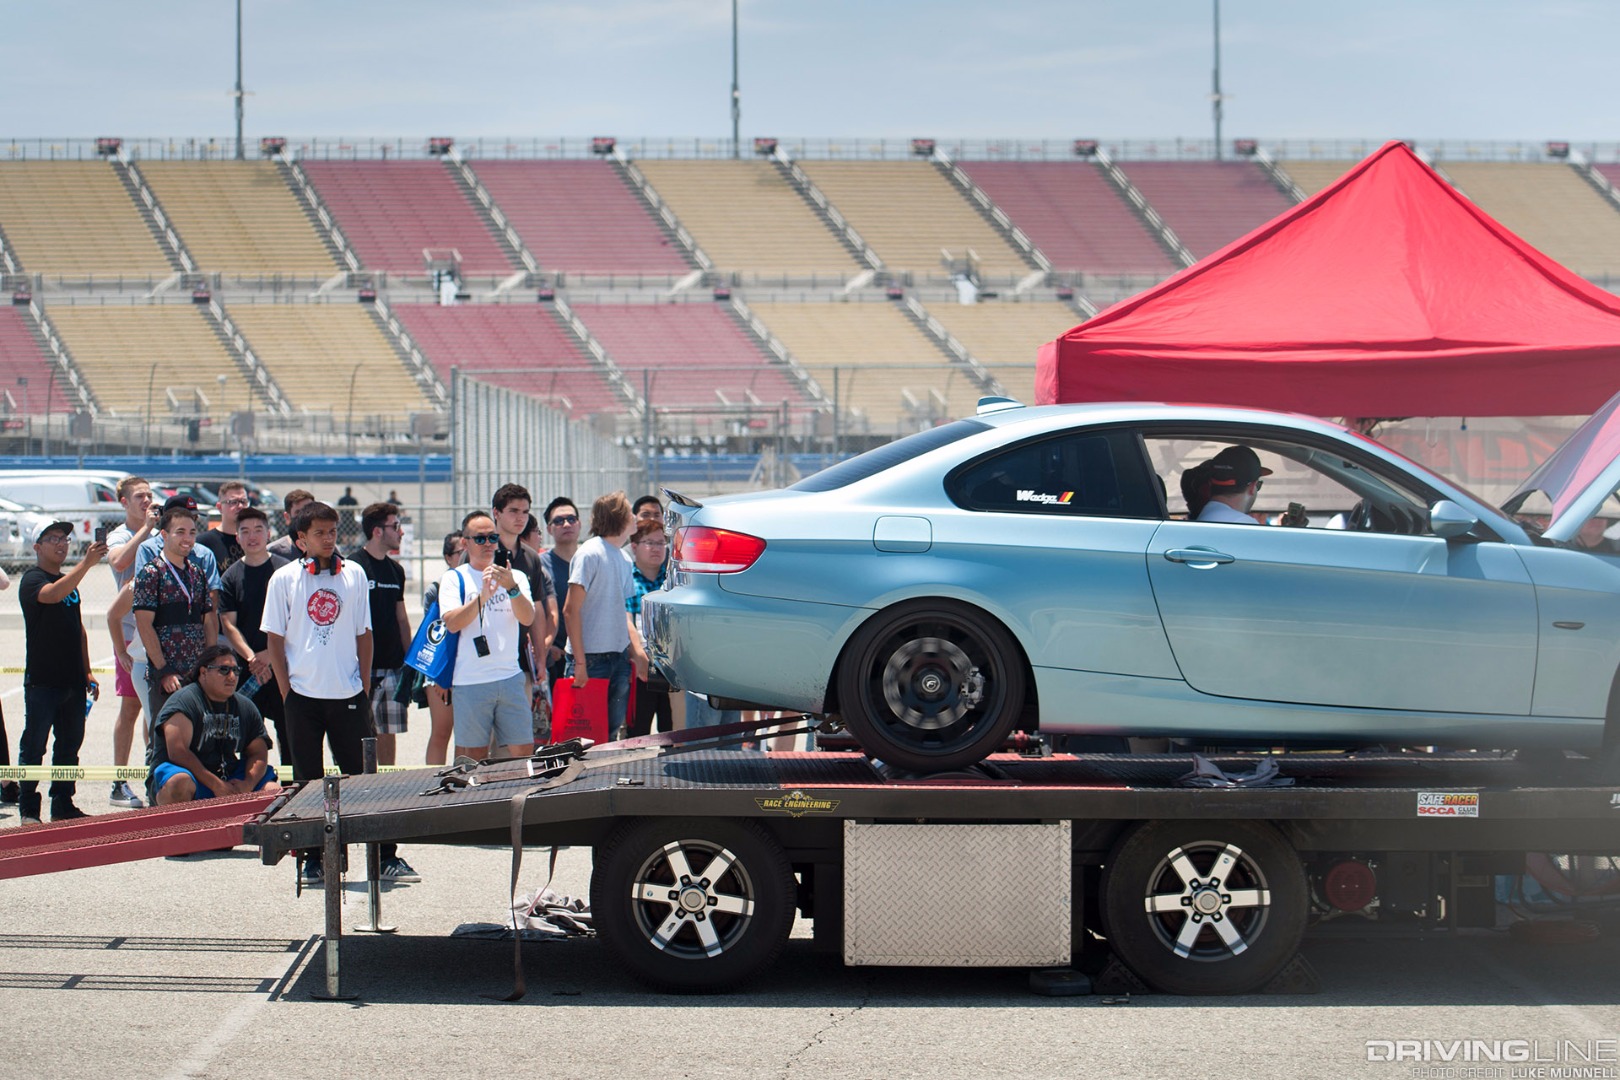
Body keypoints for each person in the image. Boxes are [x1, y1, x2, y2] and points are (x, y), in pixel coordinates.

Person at [262, 501, 375, 887]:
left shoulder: (355, 575)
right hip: (302, 698)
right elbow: (274, 638)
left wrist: (363, 683)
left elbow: (365, 633)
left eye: (332, 532)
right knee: (307, 783)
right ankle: (311, 857)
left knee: (360, 780)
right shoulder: (283, 580)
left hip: (347, 694)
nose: (328, 539)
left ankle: (374, 853)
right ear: (300, 540)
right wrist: (287, 691)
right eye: (319, 534)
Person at [17, 520, 106, 823]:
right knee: (34, 746)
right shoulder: (32, 579)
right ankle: (29, 807)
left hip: (72, 681)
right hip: (43, 682)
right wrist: (87, 563)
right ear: (37, 547)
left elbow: (78, 630)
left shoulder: (70, 583)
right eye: (53, 538)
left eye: (65, 538)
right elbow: (52, 595)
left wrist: (87, 671)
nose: (61, 543)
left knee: (69, 746)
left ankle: (63, 803)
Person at [440, 511, 535, 762]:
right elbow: (452, 623)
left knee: (523, 752)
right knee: (472, 757)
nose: (488, 544)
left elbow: (528, 618)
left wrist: (511, 588)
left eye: (492, 537)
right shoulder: (454, 578)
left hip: (510, 676)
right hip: (471, 680)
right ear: (465, 543)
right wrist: (482, 596)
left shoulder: (517, 578)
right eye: (479, 539)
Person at [563, 492, 650, 740]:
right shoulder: (589, 553)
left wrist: (634, 654)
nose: (635, 517)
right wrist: (579, 664)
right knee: (582, 737)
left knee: (609, 736)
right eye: (630, 511)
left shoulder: (623, 558)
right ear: (619, 517)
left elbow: (621, 612)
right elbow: (570, 610)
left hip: (618, 659)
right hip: (589, 661)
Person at [151, 645, 282, 806]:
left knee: (272, 791)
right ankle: (174, 828)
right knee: (179, 783)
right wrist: (216, 785)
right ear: (204, 672)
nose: (232, 676)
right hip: (190, 775)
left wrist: (248, 784)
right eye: (224, 670)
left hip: (228, 775)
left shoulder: (245, 707)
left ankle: (249, 831)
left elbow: (258, 752)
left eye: (236, 670)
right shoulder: (184, 702)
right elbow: (178, 753)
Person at [217, 506, 291, 765]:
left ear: (269, 533)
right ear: (237, 537)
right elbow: (229, 625)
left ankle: (298, 789)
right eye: (245, 531)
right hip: (249, 670)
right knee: (251, 739)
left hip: (284, 665)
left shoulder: (287, 572)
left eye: (258, 530)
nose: (252, 537)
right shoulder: (230, 577)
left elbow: (297, 621)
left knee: (290, 732)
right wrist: (253, 659)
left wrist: (271, 655)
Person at [132, 502, 218, 723]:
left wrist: (209, 663)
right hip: (167, 677)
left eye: (192, 532)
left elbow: (208, 619)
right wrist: (164, 670)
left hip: (198, 675)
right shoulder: (151, 573)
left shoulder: (196, 573)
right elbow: (144, 624)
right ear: (164, 535)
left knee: (201, 737)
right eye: (180, 532)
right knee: (165, 739)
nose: (187, 539)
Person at [104, 474, 160, 808]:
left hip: (156, 631)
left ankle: (153, 772)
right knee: (131, 707)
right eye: (139, 496)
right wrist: (146, 529)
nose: (146, 501)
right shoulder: (121, 535)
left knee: (155, 710)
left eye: (149, 495)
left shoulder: (160, 531)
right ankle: (118, 782)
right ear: (124, 502)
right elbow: (119, 561)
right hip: (128, 635)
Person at [350, 503, 414, 780]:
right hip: (357, 667)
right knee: (360, 731)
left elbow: (401, 619)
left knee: (387, 731)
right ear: (377, 531)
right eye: (395, 526)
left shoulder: (395, 570)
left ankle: (387, 783)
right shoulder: (352, 567)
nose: (400, 532)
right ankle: (361, 784)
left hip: (392, 666)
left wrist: (410, 662)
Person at [491, 484, 557, 740]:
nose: (521, 518)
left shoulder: (531, 558)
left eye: (525, 511)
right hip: (482, 662)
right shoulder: (480, 551)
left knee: (517, 741)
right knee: (479, 747)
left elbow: (538, 612)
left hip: (519, 664)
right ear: (496, 513)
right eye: (513, 511)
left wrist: (540, 658)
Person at [626, 521, 676, 739]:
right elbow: (625, 617)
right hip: (639, 665)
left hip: (672, 665)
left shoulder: (672, 581)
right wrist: (638, 656)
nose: (657, 548)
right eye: (649, 542)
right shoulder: (627, 578)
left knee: (673, 729)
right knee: (638, 732)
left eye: (661, 543)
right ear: (635, 546)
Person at [421, 530, 464, 765]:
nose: (466, 555)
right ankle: (432, 783)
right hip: (440, 667)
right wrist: (440, 677)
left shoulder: (476, 581)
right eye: (460, 551)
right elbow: (433, 637)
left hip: (469, 668)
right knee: (441, 731)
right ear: (448, 557)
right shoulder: (436, 588)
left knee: (466, 737)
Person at [543, 497, 581, 687]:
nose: (566, 524)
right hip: (553, 659)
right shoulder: (540, 565)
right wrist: (549, 646)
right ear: (549, 529)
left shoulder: (590, 560)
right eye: (558, 521)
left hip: (590, 659)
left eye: (571, 519)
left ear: (579, 524)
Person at [1194, 446, 1275, 525]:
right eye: (1258, 485)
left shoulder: (1204, 515)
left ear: (1210, 483)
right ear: (1252, 487)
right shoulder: (1243, 524)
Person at [196, 479, 250, 572]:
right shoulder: (204, 543)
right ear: (219, 507)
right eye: (233, 502)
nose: (240, 506)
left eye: (243, 501)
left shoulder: (255, 540)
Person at [267, 489, 314, 559]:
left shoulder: (328, 548)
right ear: (287, 517)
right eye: (299, 512)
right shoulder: (273, 552)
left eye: (309, 511)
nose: (305, 516)